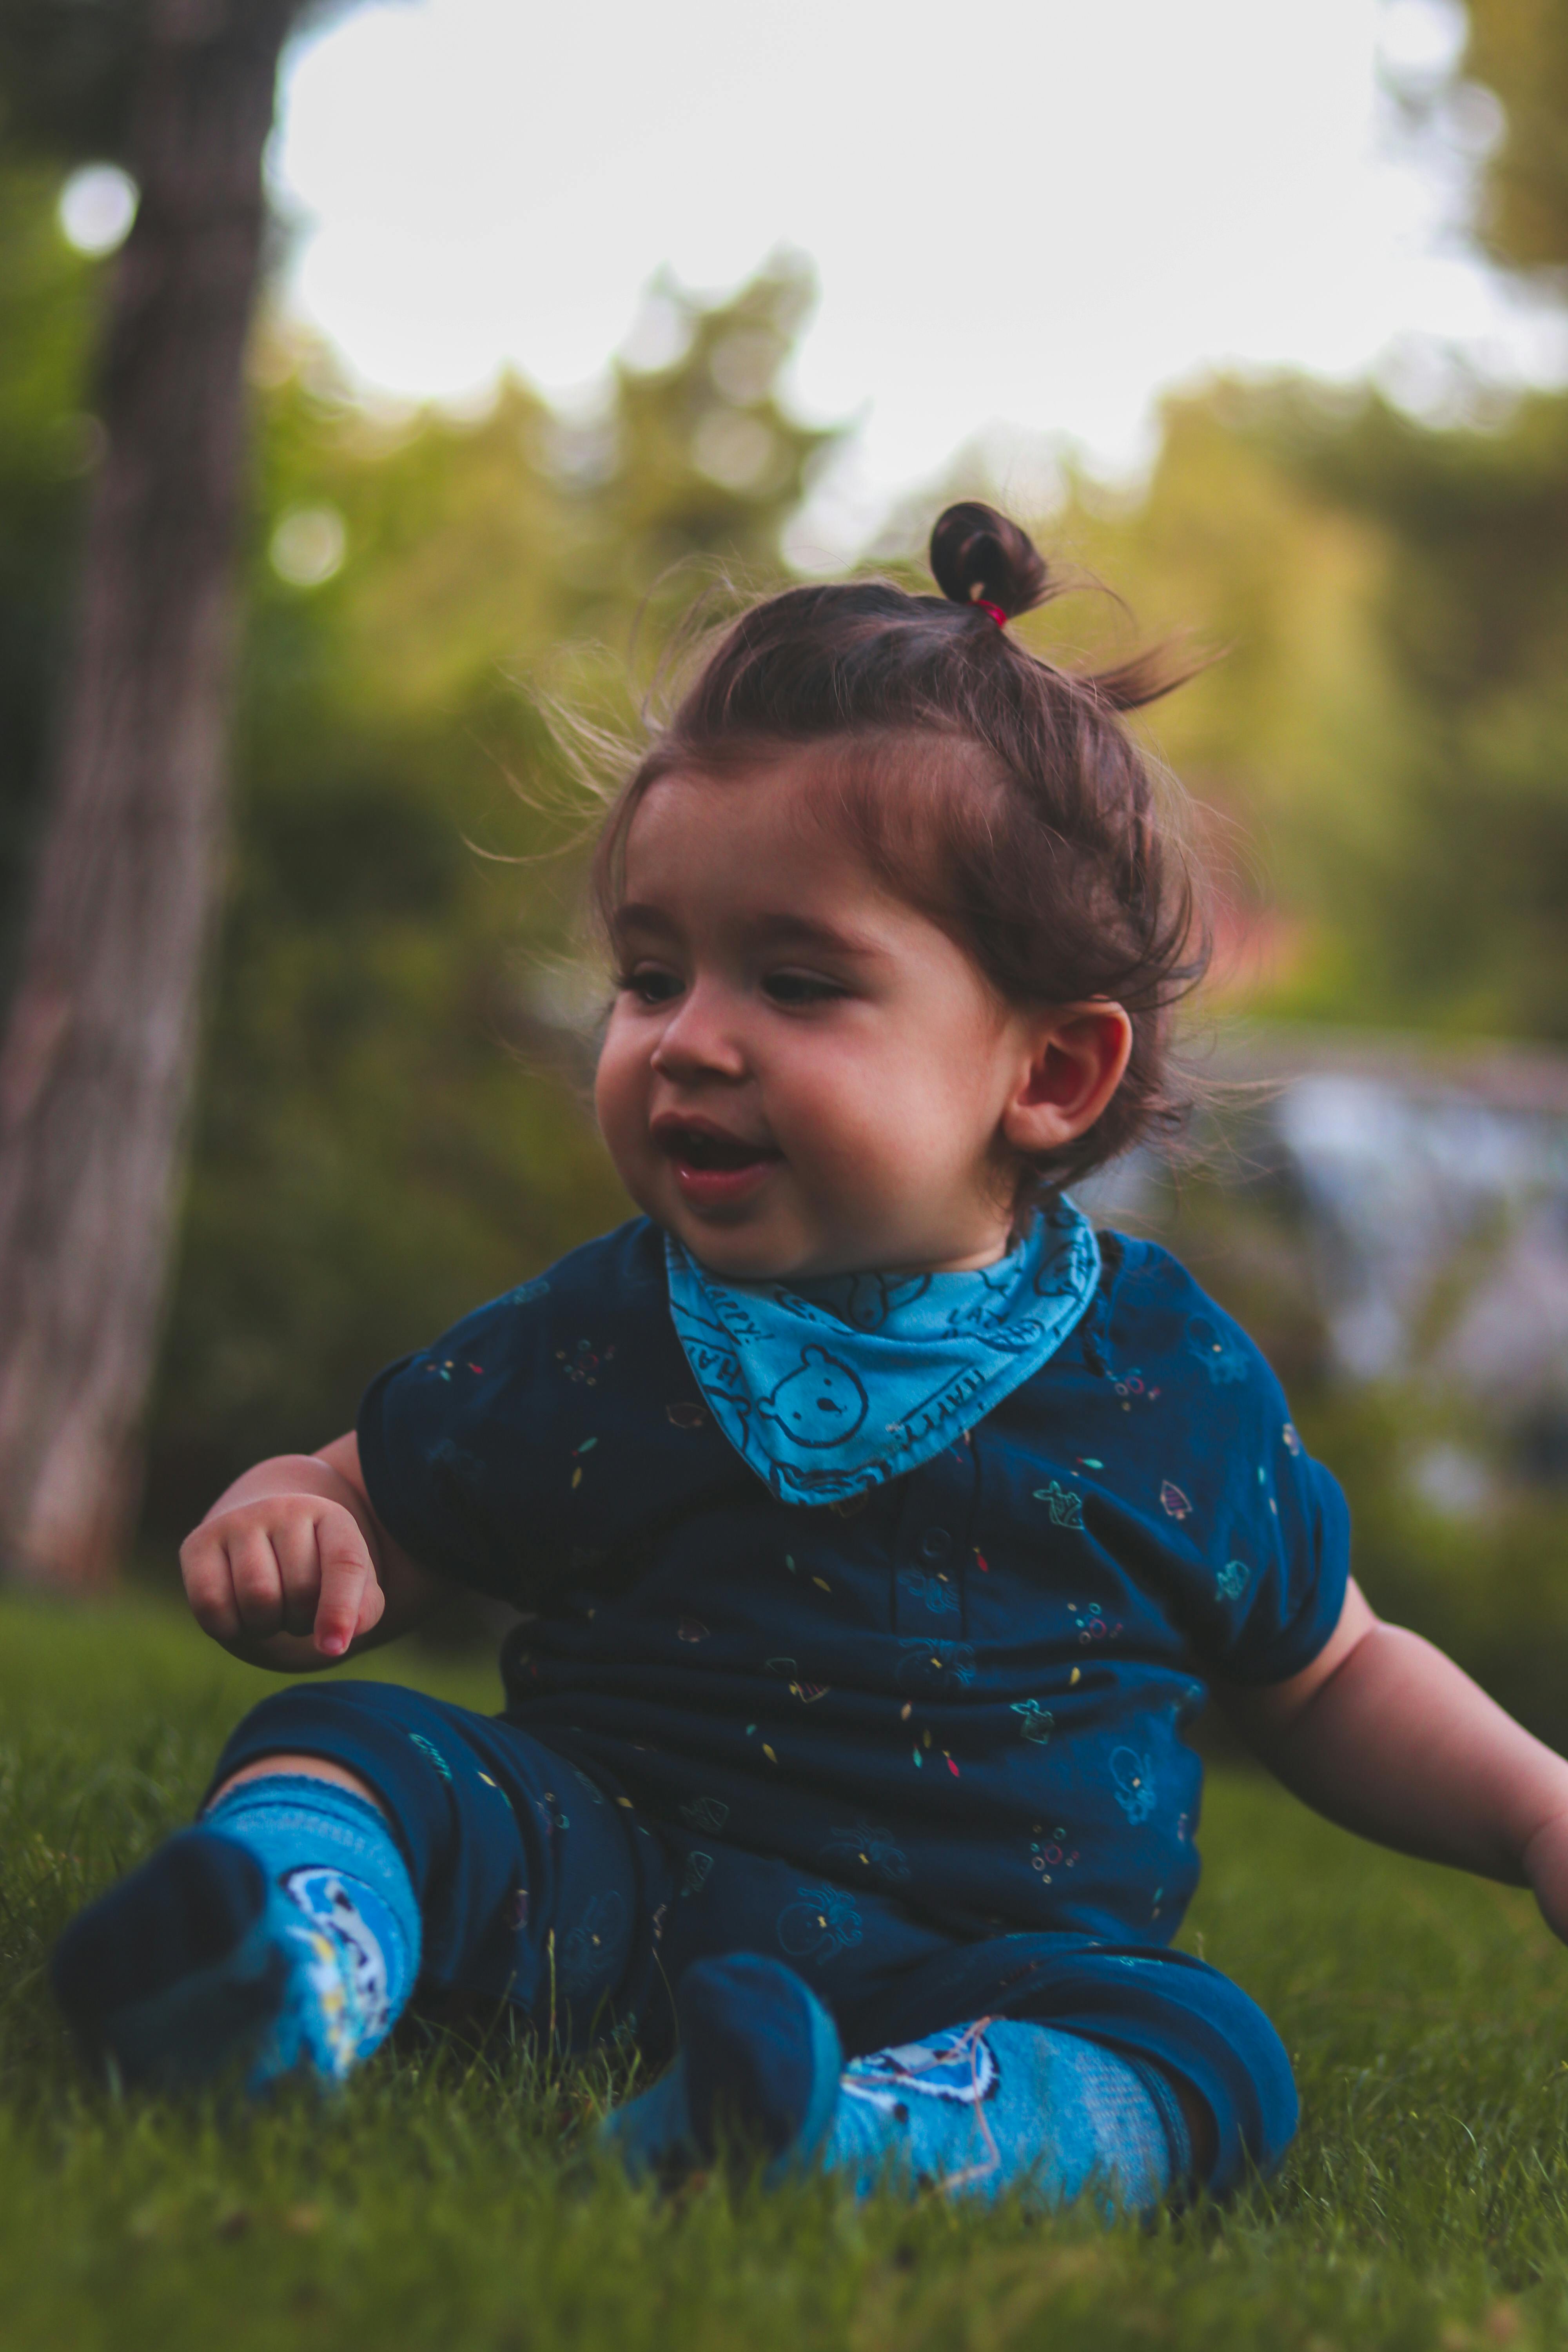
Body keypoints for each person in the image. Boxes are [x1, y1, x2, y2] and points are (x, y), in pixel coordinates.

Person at [51, 504, 1568, 2214]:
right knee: (360, 1753)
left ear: (1053, 1075)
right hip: (598, 1875)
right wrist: (293, 1515)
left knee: (1201, 2051)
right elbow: (375, 1489)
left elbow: (1331, 1670)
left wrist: (1533, 1814)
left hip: (985, 1965)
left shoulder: (1169, 1386)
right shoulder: (615, 1326)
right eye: (648, 974)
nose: (687, 1040)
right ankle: (282, 1959)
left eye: (795, 981)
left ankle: (859, 2136)